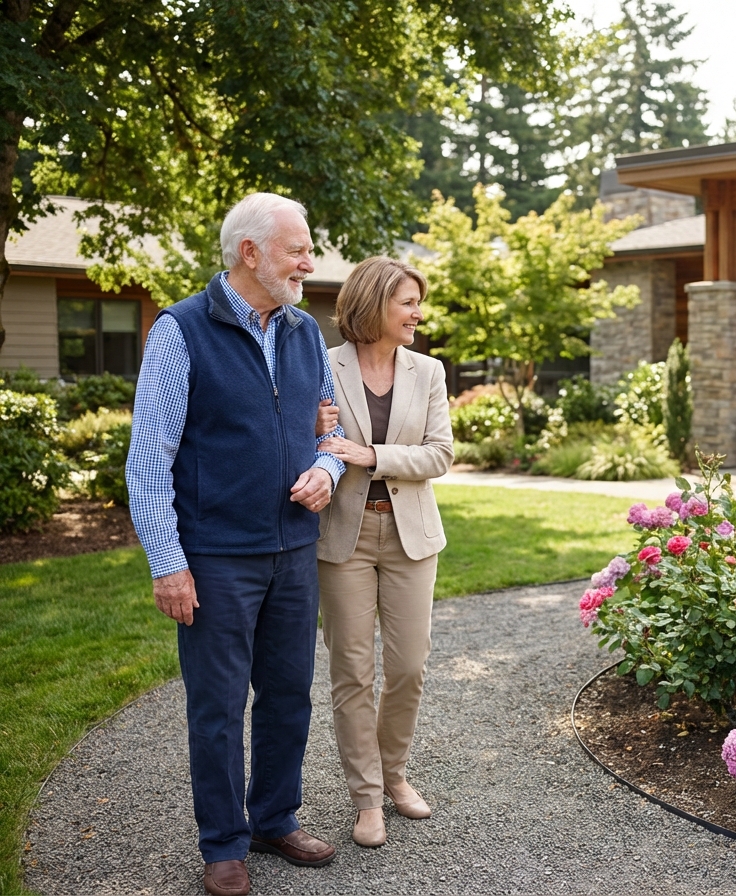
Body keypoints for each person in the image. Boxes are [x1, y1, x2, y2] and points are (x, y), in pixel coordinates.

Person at [127, 193, 346, 896]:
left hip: (292, 551)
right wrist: (169, 564)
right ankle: (222, 843)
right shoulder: (181, 331)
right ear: (250, 253)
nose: (309, 261)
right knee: (217, 707)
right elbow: (146, 461)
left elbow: (328, 431)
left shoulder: (305, 330)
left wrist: (326, 469)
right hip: (217, 557)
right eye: (298, 249)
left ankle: (273, 819)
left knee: (288, 696)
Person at [315, 256, 453, 848]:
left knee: (407, 667)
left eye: (418, 303)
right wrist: (310, 426)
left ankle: (395, 773)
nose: (418, 314)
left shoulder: (428, 371)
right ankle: (366, 797)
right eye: (408, 303)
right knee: (352, 671)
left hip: (410, 535)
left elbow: (440, 455)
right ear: (374, 305)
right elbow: (303, 443)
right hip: (342, 536)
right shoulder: (322, 366)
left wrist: (372, 454)